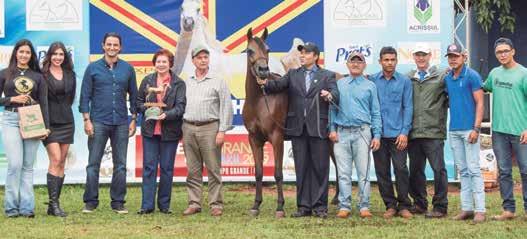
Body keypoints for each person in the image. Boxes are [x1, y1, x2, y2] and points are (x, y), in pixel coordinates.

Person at [258, 42, 339, 218]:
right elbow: (276, 85)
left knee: (320, 168)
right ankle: (303, 207)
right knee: (301, 168)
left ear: (316, 56)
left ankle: (320, 208)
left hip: (318, 128)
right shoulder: (293, 74)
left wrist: (330, 95)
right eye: (301, 53)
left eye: (306, 53)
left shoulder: (327, 76)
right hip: (298, 129)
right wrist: (264, 82)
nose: (302, 55)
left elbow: (336, 94)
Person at [79, 32, 138, 214]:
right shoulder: (93, 68)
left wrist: (134, 119)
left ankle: (118, 202)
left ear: (120, 47)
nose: (112, 48)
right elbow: (85, 96)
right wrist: (87, 120)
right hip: (98, 121)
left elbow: (134, 97)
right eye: (109, 44)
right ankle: (90, 201)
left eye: (115, 45)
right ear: (103, 45)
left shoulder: (128, 69)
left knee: (120, 164)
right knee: (93, 164)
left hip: (121, 122)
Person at [0, 39, 49, 218]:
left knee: (28, 166)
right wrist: (11, 99)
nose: (24, 55)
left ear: (31, 55)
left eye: (27, 52)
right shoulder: (5, 73)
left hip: (32, 120)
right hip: (11, 118)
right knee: (15, 164)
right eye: (21, 52)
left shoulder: (38, 76)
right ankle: (11, 208)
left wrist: (46, 127)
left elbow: (44, 103)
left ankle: (27, 208)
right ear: (15, 53)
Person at [182, 45, 233, 217]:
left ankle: (216, 204)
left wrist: (222, 131)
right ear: (193, 60)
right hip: (188, 127)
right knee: (193, 169)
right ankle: (194, 203)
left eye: (206, 57)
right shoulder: (187, 80)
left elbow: (226, 106)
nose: (203, 60)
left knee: (213, 168)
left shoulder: (218, 80)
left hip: (210, 127)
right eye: (199, 58)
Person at [329, 52, 381, 219]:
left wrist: (377, 135)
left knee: (363, 173)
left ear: (364, 65)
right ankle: (344, 206)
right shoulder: (339, 84)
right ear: (347, 64)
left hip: (362, 132)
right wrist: (332, 129)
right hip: (342, 132)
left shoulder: (370, 86)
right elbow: (332, 108)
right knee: (343, 173)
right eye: (353, 61)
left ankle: (364, 206)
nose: (356, 64)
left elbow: (376, 112)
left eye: (360, 62)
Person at [136, 49, 186, 214]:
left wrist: (166, 115)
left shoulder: (178, 83)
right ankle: (147, 205)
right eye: (158, 61)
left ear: (170, 63)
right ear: (154, 63)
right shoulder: (147, 81)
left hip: (169, 132)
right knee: (149, 167)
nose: (161, 64)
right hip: (150, 131)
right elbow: (138, 102)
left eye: (164, 61)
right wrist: (148, 110)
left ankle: (164, 205)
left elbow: (180, 107)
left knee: (166, 168)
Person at [483, 38, 527, 221]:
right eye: (499, 52)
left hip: (520, 131)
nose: (502, 54)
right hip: (499, 131)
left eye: (505, 51)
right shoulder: (494, 73)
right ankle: (508, 210)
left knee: (525, 170)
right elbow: (482, 88)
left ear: (513, 51)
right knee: (505, 171)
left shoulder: (523, 73)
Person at [443, 43, 486, 223]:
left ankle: (480, 210)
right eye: (450, 56)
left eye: (456, 56)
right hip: (454, 130)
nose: (453, 59)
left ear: (464, 57)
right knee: (464, 171)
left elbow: (480, 103)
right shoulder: (448, 78)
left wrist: (476, 128)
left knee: (474, 169)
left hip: (470, 129)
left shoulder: (473, 76)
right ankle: (466, 208)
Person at [370, 47, 413, 219]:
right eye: (386, 59)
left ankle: (403, 205)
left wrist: (404, 132)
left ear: (396, 61)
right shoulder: (372, 81)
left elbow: (408, 107)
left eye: (392, 59)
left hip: (398, 135)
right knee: (382, 171)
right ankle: (390, 205)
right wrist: (375, 134)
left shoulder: (404, 81)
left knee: (401, 169)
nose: (389, 62)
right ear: (380, 61)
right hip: (378, 136)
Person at [407, 43, 449, 218]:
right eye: (418, 55)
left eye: (424, 54)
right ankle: (419, 204)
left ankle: (440, 207)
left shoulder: (441, 76)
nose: (421, 58)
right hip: (414, 132)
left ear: (430, 55)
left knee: (438, 169)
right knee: (415, 171)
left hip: (433, 132)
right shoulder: (408, 77)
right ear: (414, 57)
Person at [41, 42, 76, 217]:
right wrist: (45, 126)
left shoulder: (70, 74)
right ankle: (53, 204)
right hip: (49, 124)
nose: (58, 57)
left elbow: (70, 99)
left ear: (65, 57)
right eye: (54, 54)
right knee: (55, 159)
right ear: (49, 55)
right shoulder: (42, 75)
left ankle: (54, 205)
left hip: (67, 122)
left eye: (61, 54)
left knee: (62, 161)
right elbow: (42, 101)